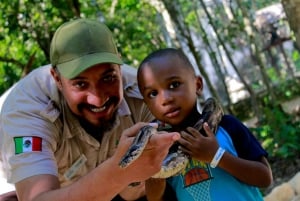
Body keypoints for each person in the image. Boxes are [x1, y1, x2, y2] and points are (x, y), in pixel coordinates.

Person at [0, 19, 181, 201]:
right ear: (57, 79)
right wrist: (119, 173)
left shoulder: (144, 90)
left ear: (120, 67)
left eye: (108, 78)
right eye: (80, 84)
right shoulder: (27, 111)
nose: (98, 98)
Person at [137, 48, 273, 201]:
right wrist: (154, 170)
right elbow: (156, 199)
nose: (166, 99)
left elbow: (264, 178)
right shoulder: (162, 148)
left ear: (198, 85)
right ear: (147, 104)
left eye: (174, 85)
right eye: (153, 94)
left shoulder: (227, 126)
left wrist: (217, 156)